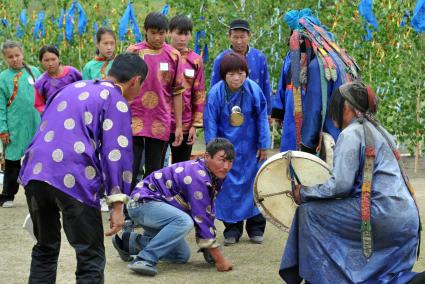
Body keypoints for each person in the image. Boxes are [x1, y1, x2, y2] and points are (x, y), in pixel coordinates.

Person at [18, 53, 148, 283]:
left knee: (45, 248)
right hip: (72, 174)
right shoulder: (115, 99)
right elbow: (116, 153)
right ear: (135, 81)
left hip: (35, 172)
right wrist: (118, 206)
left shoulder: (71, 87)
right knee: (90, 256)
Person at [279, 81, 422, 284]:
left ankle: (314, 278)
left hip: (382, 213)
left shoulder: (352, 133)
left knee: (308, 213)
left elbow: (340, 186)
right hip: (407, 219)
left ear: (345, 107)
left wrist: (304, 193)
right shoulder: (380, 130)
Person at [113, 137, 235, 276]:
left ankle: (130, 242)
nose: (226, 166)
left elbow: (208, 210)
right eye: (222, 159)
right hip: (142, 203)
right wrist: (219, 258)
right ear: (207, 156)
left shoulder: (213, 175)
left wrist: (209, 249)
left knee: (181, 256)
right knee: (184, 221)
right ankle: (145, 259)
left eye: (230, 161)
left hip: (159, 209)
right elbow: (201, 218)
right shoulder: (198, 176)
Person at [203, 52, 270, 245]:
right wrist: (214, 150)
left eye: (241, 73)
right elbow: (210, 122)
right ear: (224, 74)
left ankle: (256, 227)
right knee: (228, 187)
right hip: (227, 150)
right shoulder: (216, 93)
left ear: (246, 74)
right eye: (231, 73)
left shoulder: (253, 89)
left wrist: (264, 144)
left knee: (254, 185)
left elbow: (262, 118)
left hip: (251, 149)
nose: (236, 77)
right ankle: (232, 229)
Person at [271, 9, 360, 153]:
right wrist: (278, 113)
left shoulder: (322, 64)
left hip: (320, 127)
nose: (298, 41)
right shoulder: (292, 58)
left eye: (301, 38)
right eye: (296, 37)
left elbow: (316, 108)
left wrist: (308, 141)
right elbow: (285, 85)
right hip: (291, 119)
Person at [127, 12, 184, 188]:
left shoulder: (174, 55)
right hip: (133, 116)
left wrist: (179, 126)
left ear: (167, 32)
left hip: (160, 118)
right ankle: (128, 209)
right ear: (146, 31)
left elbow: (177, 91)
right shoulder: (133, 52)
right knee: (131, 165)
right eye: (153, 33)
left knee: (154, 168)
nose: (158, 37)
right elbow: (122, 86)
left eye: (162, 33)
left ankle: (148, 206)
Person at [0, 40, 41, 208]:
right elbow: (1, 106)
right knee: (12, 161)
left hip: (36, 123)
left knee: (37, 159)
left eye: (17, 55)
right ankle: (8, 195)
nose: (15, 59)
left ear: (22, 54)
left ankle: (37, 195)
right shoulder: (2, 78)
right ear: (4, 59)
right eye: (10, 57)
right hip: (14, 125)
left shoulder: (35, 72)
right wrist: (3, 129)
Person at [210, 19, 272, 116]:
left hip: (255, 112)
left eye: (242, 37)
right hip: (228, 114)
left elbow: (265, 85)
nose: (239, 41)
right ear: (229, 36)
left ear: (249, 35)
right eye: (235, 37)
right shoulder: (221, 59)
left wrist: (268, 112)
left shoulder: (259, 57)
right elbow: (214, 89)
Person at [167, 15, 205, 163]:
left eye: (186, 34)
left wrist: (195, 125)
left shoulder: (196, 60)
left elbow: (199, 93)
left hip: (185, 122)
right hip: (161, 122)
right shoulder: (162, 55)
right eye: (178, 33)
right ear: (169, 33)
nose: (182, 38)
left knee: (181, 168)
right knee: (157, 168)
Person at [34, 45, 82, 113]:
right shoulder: (40, 82)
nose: (50, 63)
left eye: (53, 59)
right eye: (46, 60)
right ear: (41, 61)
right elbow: (39, 104)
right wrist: (49, 112)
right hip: (54, 116)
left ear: (59, 58)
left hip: (75, 112)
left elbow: (83, 87)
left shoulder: (72, 73)